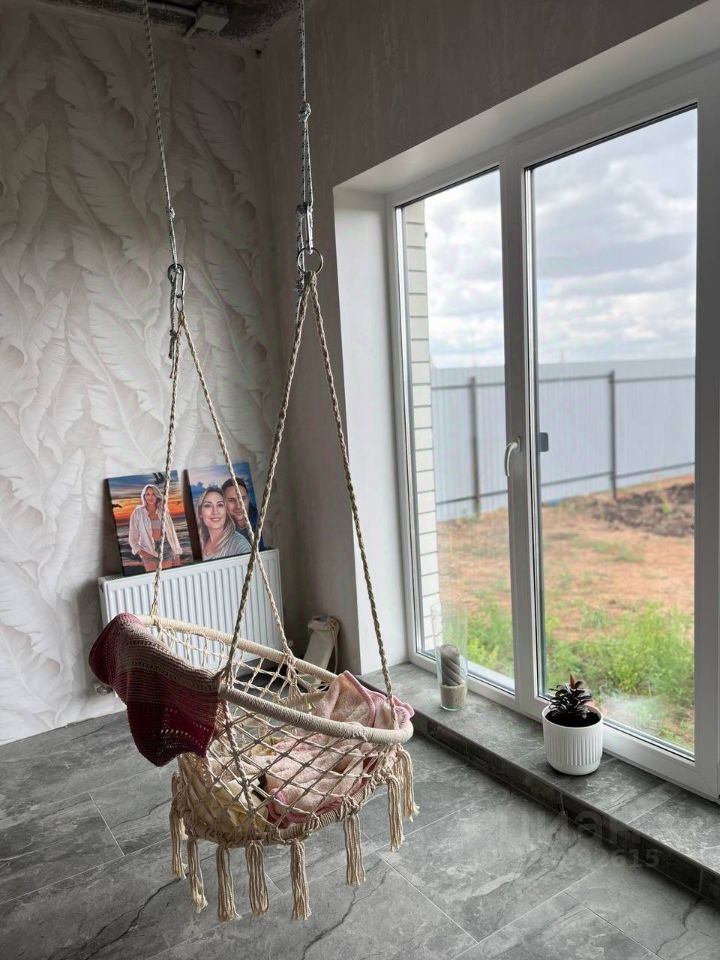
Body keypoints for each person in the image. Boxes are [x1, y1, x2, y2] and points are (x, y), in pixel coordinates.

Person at [128, 483, 183, 573]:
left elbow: (172, 533)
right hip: (148, 550)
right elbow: (132, 537)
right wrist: (141, 552)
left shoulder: (164, 511)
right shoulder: (138, 512)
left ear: (157, 496)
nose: (150, 497)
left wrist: (177, 554)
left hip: (166, 547)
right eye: (147, 494)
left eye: (153, 494)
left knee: (166, 577)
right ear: (144, 496)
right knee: (153, 578)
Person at [196, 485, 251, 560]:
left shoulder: (239, 544)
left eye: (220, 505)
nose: (215, 512)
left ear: (226, 511)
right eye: (208, 506)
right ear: (200, 513)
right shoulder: (201, 543)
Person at [221, 476, 257, 547]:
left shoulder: (263, 524)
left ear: (248, 499)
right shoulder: (219, 531)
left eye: (242, 499)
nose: (238, 506)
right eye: (231, 500)